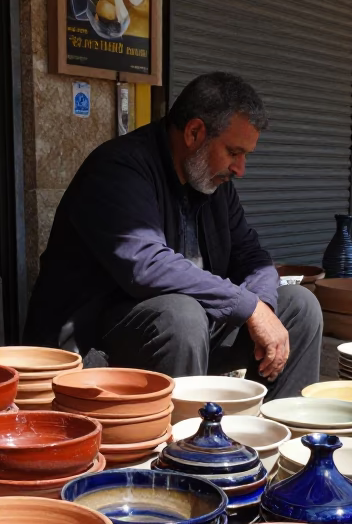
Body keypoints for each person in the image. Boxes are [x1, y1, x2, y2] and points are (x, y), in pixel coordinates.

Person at [24, 71, 323, 398]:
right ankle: (186, 445)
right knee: (181, 315)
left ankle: (279, 433)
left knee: (299, 306)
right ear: (194, 132)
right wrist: (247, 306)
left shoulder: (214, 183)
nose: (240, 169)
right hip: (95, 342)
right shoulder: (118, 169)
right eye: (234, 152)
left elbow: (253, 258)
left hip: (187, 335)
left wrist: (262, 307)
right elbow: (147, 266)